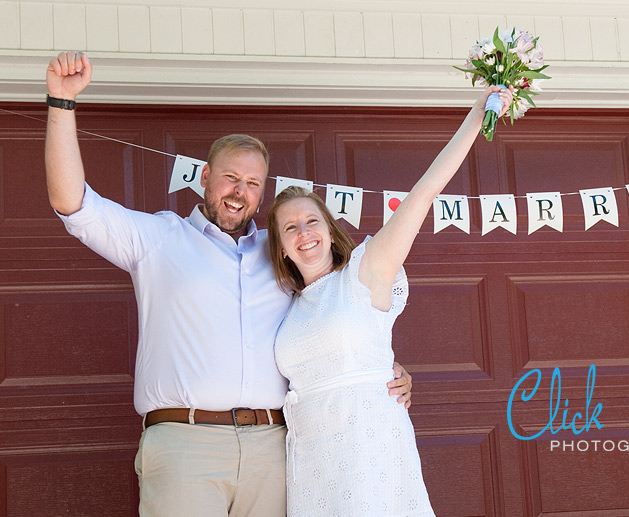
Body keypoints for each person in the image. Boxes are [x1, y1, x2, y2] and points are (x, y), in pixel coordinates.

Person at [44, 50, 412, 516]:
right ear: (204, 179)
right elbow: (71, 202)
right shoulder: (159, 238)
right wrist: (61, 102)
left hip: (274, 448)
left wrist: (385, 369)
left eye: (253, 183)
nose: (240, 191)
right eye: (230, 178)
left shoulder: (283, 254)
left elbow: (344, 310)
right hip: (185, 444)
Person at [267, 86, 513, 516]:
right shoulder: (288, 305)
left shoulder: (365, 272)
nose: (304, 233)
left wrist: (476, 116)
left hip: (369, 446)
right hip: (311, 457)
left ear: (329, 229)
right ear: (282, 247)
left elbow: (423, 195)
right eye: (291, 228)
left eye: (312, 221)